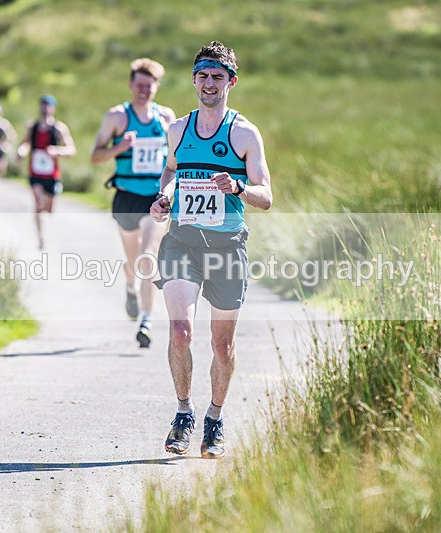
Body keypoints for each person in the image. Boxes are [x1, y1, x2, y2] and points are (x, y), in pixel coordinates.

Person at [149, 41, 272, 458]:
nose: (209, 83)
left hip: (226, 246)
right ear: (194, 79)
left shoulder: (243, 133)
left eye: (218, 77)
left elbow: (266, 195)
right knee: (180, 331)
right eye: (202, 75)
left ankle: (214, 418)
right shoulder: (178, 129)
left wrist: (238, 186)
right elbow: (170, 169)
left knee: (222, 346)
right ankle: (183, 413)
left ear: (231, 82)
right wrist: (163, 196)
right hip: (181, 240)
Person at [91, 58, 176, 348]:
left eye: (149, 86)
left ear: (156, 88)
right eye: (139, 85)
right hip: (126, 197)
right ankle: (130, 287)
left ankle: (146, 319)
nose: (143, 91)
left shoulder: (165, 118)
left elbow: (175, 161)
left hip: (155, 198)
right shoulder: (116, 117)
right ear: (130, 85)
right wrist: (120, 146)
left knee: (148, 256)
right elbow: (95, 157)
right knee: (133, 262)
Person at [16, 95, 76, 249]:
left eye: (48, 105)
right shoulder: (33, 127)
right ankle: (40, 238)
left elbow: (71, 149)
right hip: (35, 173)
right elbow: (25, 144)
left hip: (52, 175)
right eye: (43, 105)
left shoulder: (59, 128)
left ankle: (46, 209)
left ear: (53, 108)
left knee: (49, 210)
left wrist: (57, 151)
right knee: (37, 203)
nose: (45, 108)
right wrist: (21, 152)